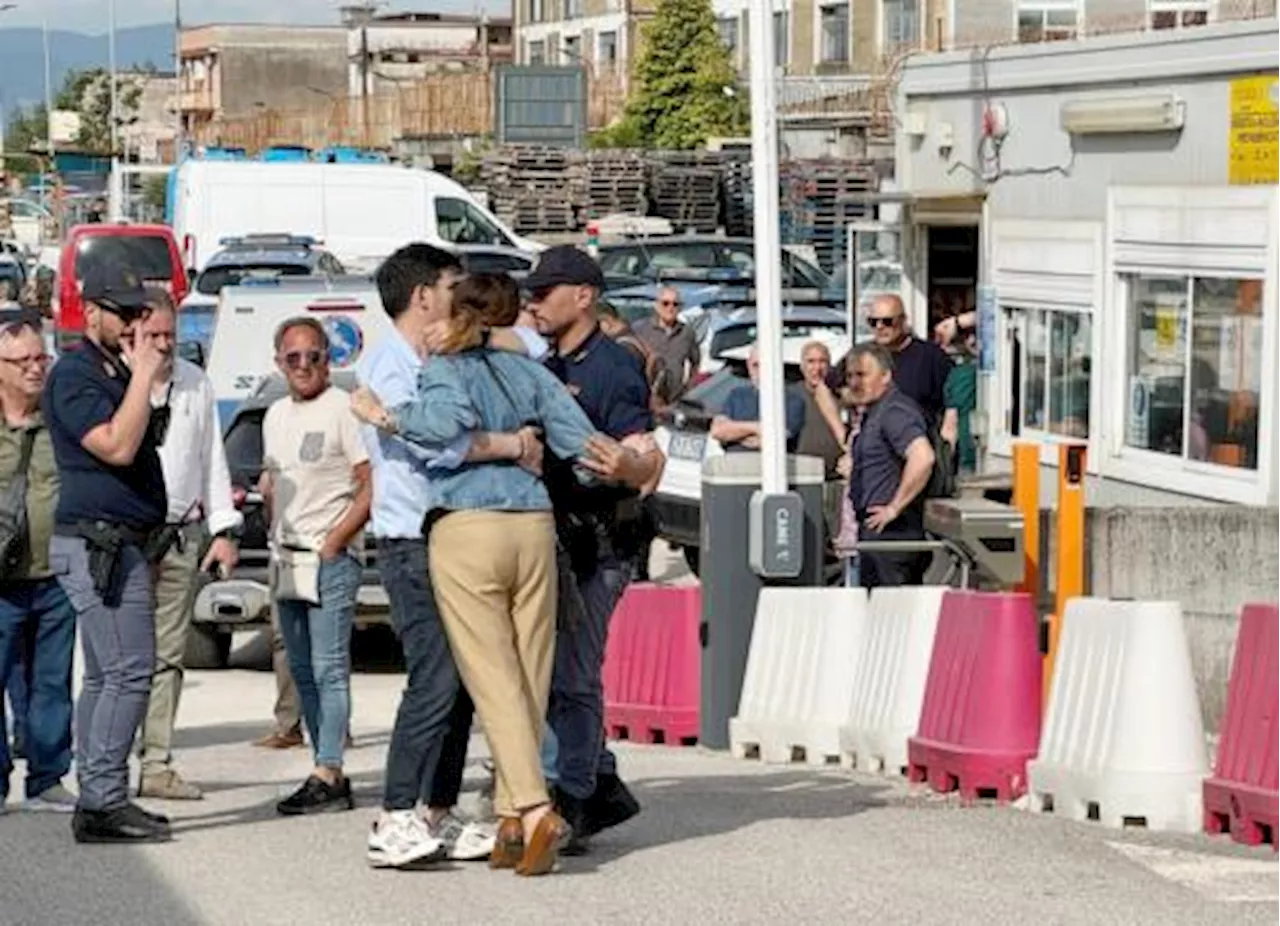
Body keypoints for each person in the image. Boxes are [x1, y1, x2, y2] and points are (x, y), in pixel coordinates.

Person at [355, 272, 631, 877]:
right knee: (531, 672)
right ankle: (509, 815)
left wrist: (385, 416)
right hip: (533, 524)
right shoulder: (531, 372)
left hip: (468, 525)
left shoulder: (446, 369)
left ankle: (533, 809)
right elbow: (582, 447)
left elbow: (440, 425)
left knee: (491, 673)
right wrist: (625, 465)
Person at [358, 246, 549, 868]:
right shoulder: (391, 364)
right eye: (451, 284)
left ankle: (436, 812)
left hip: (454, 532)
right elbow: (436, 442)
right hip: (413, 538)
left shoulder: (454, 354)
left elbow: (536, 350)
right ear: (422, 297)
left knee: (467, 683)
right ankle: (394, 814)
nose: (460, 294)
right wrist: (511, 444)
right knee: (434, 677)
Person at [523, 245, 665, 853]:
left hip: (602, 541)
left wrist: (630, 464)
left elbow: (641, 452)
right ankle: (595, 779)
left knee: (575, 674)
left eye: (545, 290)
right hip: (556, 539)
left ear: (582, 295)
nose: (534, 300)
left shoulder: (611, 367)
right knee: (553, 671)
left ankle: (573, 796)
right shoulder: (548, 364)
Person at [43, 265, 173, 843]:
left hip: (119, 541)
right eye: (123, 313)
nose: (133, 325)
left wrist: (142, 374)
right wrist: (144, 373)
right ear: (89, 310)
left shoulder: (111, 369)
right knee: (128, 673)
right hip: (100, 543)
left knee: (105, 676)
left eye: (140, 314)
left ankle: (100, 795)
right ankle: (102, 801)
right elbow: (118, 447)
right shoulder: (75, 374)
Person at [133, 289, 242, 801]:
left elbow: (210, 459)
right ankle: (111, 757)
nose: (162, 345)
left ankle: (157, 761)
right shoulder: (116, 381)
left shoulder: (195, 383)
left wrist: (223, 530)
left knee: (169, 656)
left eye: (169, 335)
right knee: (122, 658)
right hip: (126, 540)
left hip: (181, 534)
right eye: (152, 335)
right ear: (133, 335)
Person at [259, 317, 370, 816]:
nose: (304, 366)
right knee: (299, 666)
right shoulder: (275, 414)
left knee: (329, 668)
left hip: (329, 558)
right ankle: (323, 761)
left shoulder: (345, 410)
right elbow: (272, 482)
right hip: (286, 558)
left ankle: (329, 769)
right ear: (279, 362)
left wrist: (336, 541)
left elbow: (370, 484)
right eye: (293, 358)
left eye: (314, 356)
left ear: (330, 358)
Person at [0, 315, 77, 814]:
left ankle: (48, 777)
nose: (35, 369)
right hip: (1, 583)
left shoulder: (61, 421)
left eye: (40, 359)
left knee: (52, 683)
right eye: (22, 361)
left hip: (56, 575)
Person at [848, 343, 936, 589]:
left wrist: (894, 507)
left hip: (893, 534)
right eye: (851, 375)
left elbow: (923, 457)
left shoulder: (894, 411)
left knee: (891, 617)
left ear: (886, 375)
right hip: (876, 533)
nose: (855, 383)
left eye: (863, 375)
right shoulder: (874, 412)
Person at [867, 293, 958, 450]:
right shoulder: (863, 354)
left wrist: (946, 450)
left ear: (902, 320)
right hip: (874, 452)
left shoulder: (931, 357)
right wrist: (844, 436)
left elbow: (954, 405)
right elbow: (826, 387)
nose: (880, 327)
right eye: (873, 322)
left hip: (918, 449)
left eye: (887, 321)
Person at [711, 345, 807, 454]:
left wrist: (735, 432)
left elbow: (773, 439)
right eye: (756, 365)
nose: (761, 371)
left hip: (772, 468)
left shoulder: (792, 400)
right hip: (734, 465)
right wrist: (757, 427)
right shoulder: (736, 396)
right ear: (748, 366)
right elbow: (717, 430)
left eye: (766, 365)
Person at [632, 285, 700, 405]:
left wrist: (689, 387)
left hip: (675, 400)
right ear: (657, 306)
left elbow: (695, 361)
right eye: (665, 303)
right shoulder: (641, 329)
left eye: (675, 304)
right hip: (646, 399)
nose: (670, 308)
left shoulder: (687, 333)